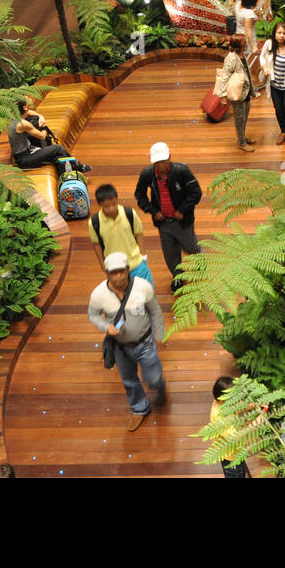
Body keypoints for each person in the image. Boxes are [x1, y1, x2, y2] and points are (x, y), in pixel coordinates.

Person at [88, 252, 165, 432]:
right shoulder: (99, 294)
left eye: (122, 271)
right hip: (120, 347)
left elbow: (155, 310)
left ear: (128, 270)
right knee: (129, 380)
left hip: (145, 342)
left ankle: (159, 386)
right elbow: (92, 314)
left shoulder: (142, 287)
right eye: (114, 272)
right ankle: (139, 408)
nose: (119, 276)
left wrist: (160, 333)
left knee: (153, 377)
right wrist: (106, 327)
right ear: (107, 273)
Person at [134, 142, 203, 293]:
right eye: (157, 163)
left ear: (170, 158)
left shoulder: (182, 171)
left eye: (163, 161)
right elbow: (139, 195)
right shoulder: (147, 174)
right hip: (163, 222)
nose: (160, 166)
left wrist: (182, 210)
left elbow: (196, 192)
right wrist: (153, 211)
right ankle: (177, 276)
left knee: (190, 246)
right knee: (170, 252)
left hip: (182, 220)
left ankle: (200, 259)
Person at [89, 184, 152, 287]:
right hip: (115, 268)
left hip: (136, 263)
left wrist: (143, 255)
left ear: (117, 199)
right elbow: (96, 244)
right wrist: (102, 264)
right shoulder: (94, 222)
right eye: (107, 206)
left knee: (146, 294)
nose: (111, 209)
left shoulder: (129, 214)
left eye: (114, 204)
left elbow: (139, 233)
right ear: (99, 205)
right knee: (124, 299)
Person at [8, 100, 91, 173]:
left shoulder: (13, 118)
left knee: (58, 157)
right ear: (25, 107)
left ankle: (66, 176)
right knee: (57, 148)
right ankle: (77, 166)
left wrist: (41, 117)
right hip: (25, 159)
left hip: (29, 152)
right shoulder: (23, 124)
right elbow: (42, 136)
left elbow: (30, 112)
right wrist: (44, 126)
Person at [215, 34, 256, 152]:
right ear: (239, 46)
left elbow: (246, 72)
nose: (247, 45)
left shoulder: (241, 55)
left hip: (245, 91)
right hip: (237, 93)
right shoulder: (232, 58)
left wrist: (252, 91)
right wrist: (223, 96)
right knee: (239, 118)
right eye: (245, 44)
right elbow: (225, 76)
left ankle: (242, 137)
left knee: (245, 116)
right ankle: (241, 142)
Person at [210, 376, 253, 478]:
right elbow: (236, 437)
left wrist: (251, 406)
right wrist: (255, 423)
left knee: (241, 472)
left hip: (237, 451)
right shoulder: (220, 419)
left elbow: (235, 408)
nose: (236, 402)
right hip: (230, 457)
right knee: (236, 475)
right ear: (222, 400)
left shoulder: (221, 403)